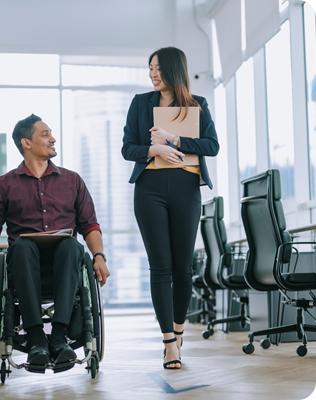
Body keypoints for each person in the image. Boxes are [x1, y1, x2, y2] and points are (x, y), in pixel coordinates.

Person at [0, 114, 110, 373]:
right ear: (26, 143)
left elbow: (90, 225)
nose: (53, 139)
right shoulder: (3, 185)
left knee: (72, 245)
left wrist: (99, 256)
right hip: (24, 265)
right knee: (23, 246)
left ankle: (59, 337)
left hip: (66, 263)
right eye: (46, 134)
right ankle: (36, 337)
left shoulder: (72, 180)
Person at [121, 47, 219, 369]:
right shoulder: (140, 104)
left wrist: (174, 139)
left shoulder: (197, 105)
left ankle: (178, 332)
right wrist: (156, 148)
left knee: (183, 268)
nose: (152, 74)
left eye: (158, 68)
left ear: (175, 70)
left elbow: (212, 146)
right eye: (150, 68)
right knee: (160, 266)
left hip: (186, 188)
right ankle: (168, 343)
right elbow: (128, 149)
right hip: (149, 189)